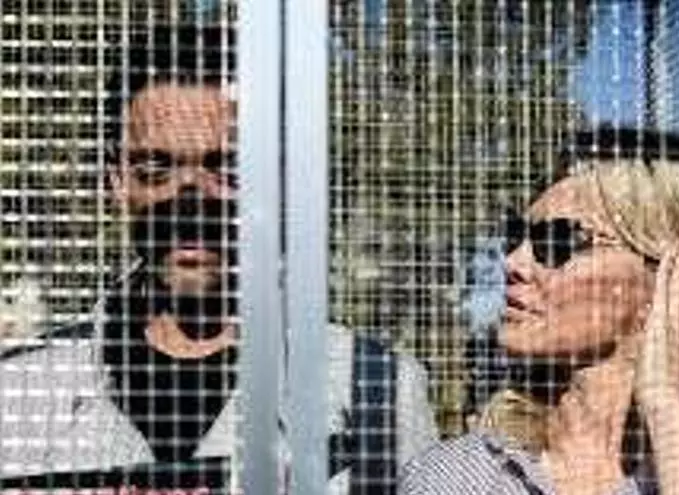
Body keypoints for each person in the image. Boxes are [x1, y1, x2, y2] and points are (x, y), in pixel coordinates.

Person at [0, 22, 436, 494]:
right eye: (156, 168)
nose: (190, 201)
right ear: (117, 181)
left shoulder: (375, 391)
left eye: (227, 168)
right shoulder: (21, 394)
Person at [400, 126, 679, 494]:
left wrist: (667, 413)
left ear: (671, 276)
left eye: (559, 240)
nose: (513, 262)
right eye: (516, 236)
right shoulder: (454, 476)